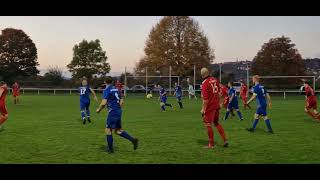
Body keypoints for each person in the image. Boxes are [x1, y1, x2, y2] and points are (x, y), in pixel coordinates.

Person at [96, 76, 138, 153]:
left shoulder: (106, 90)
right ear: (112, 82)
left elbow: (104, 103)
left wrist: (99, 110)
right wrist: (117, 107)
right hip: (118, 111)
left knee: (108, 130)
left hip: (113, 112)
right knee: (118, 131)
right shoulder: (117, 89)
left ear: (105, 82)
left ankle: (110, 150)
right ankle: (133, 140)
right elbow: (122, 101)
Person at [200, 68, 228, 148]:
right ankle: (225, 140)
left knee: (208, 124)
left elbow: (205, 100)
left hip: (210, 106)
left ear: (202, 75)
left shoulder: (205, 83)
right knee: (216, 123)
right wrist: (220, 103)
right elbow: (222, 93)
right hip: (216, 105)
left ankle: (211, 144)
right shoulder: (215, 80)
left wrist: (203, 109)